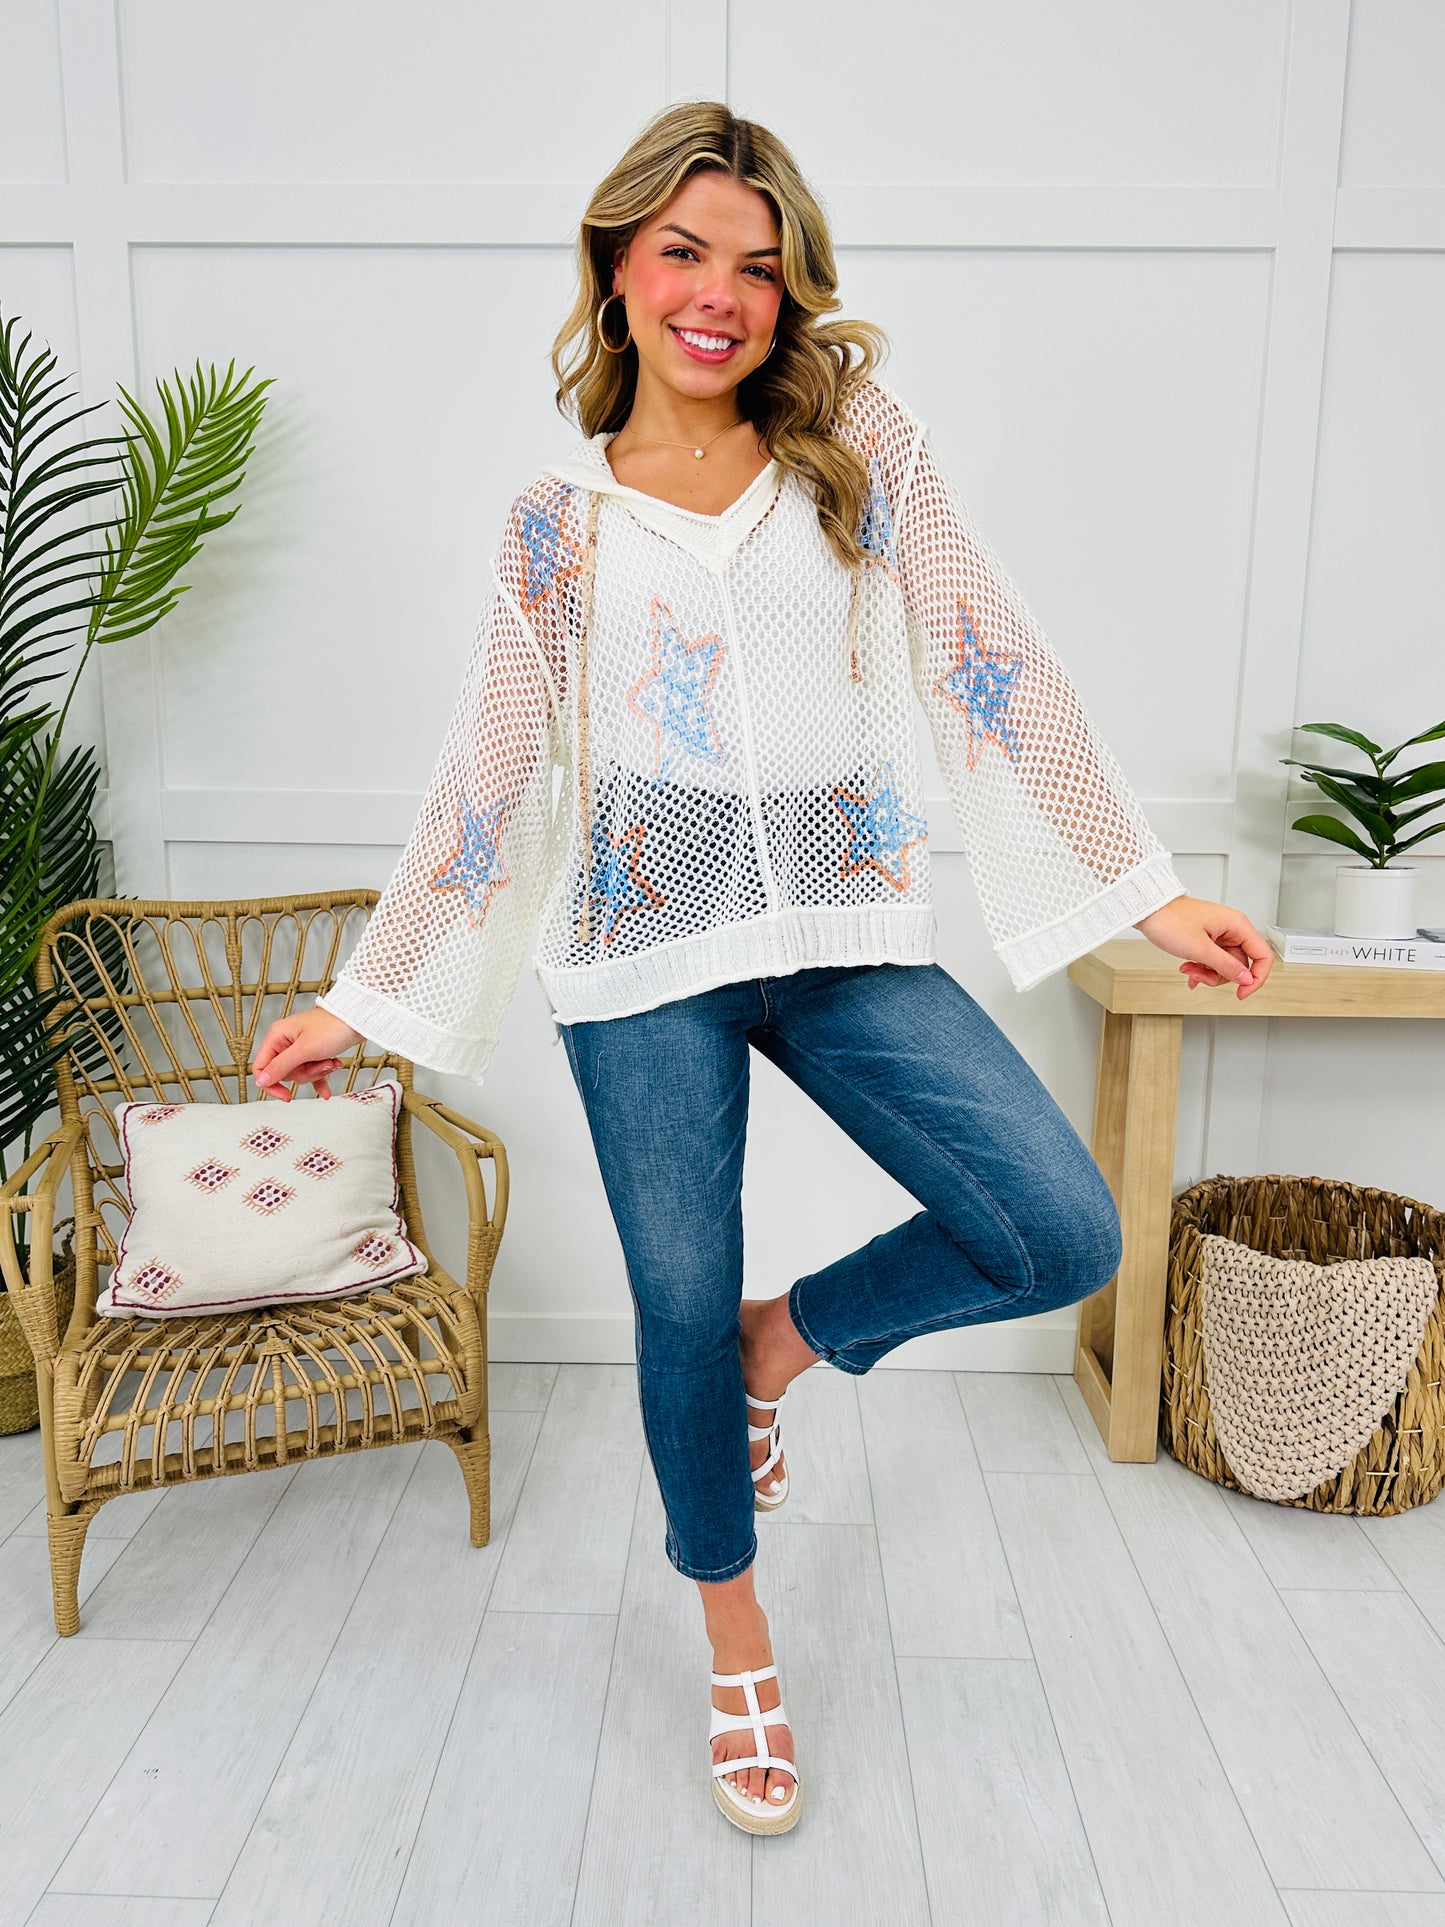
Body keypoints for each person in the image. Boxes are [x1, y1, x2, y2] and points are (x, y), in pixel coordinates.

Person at [251, 100, 1272, 1836]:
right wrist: (371, 994)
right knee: (668, 1300)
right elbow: (493, 770)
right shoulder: (556, 520)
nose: (717, 295)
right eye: (681, 254)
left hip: (840, 927)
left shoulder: (854, 446)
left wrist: (1141, 890)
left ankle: (777, 1346)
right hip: (644, 944)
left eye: (755, 264)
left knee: (1057, 1228)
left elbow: (987, 654)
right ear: (617, 269)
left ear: (790, 291)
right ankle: (735, 1637)